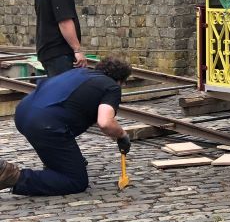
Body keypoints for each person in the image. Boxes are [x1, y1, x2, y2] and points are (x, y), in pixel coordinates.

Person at [0, 56, 133, 197]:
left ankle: (55, 166)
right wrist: (122, 135)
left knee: (65, 155)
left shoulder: (79, 73)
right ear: (120, 81)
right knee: (76, 180)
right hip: (45, 124)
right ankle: (12, 175)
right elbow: (105, 123)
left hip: (23, 113)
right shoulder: (111, 87)